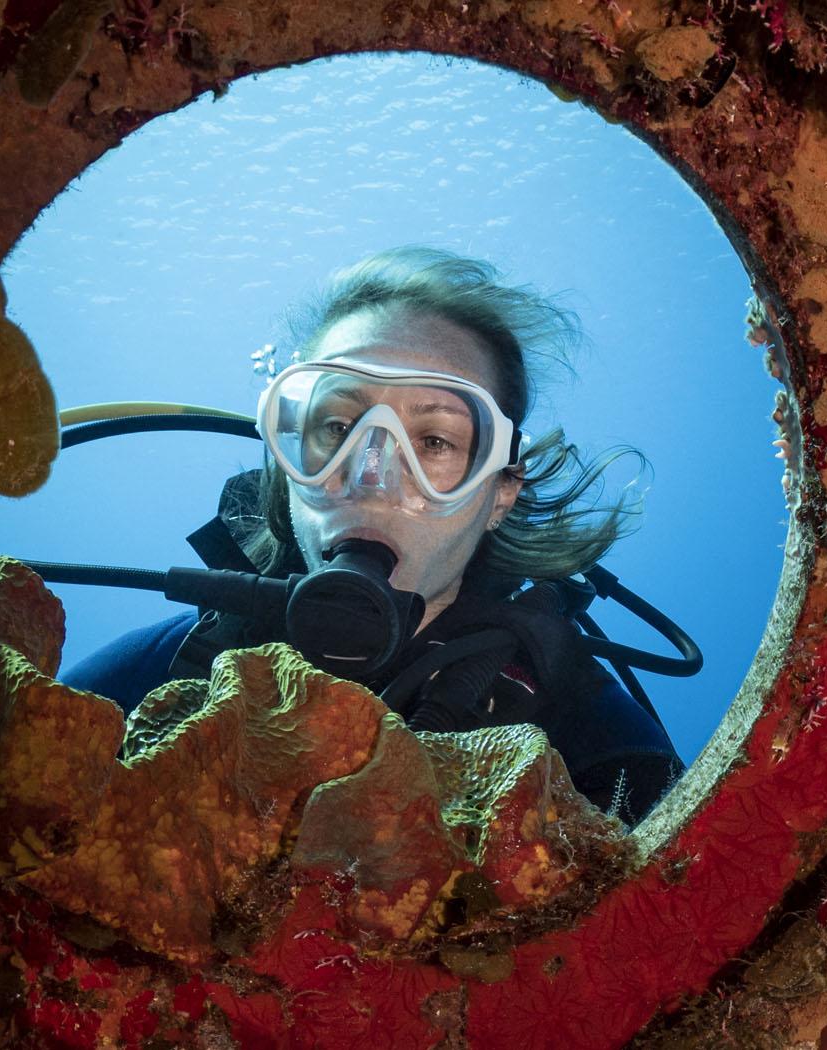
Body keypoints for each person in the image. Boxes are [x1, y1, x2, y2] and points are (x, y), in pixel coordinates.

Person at [61, 248, 683, 824]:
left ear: (499, 492)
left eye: (435, 441)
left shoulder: (582, 722)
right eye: (336, 426)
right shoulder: (173, 661)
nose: (370, 476)